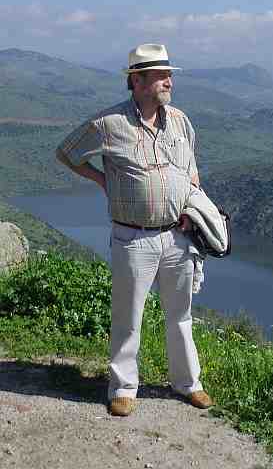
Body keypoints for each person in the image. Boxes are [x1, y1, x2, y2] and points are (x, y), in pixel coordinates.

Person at [56, 43, 213, 416]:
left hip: (177, 235)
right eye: (161, 76)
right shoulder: (109, 124)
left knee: (181, 315)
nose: (169, 81)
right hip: (133, 236)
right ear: (137, 81)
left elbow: (191, 170)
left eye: (169, 75)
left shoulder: (181, 121)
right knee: (128, 316)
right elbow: (66, 153)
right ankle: (123, 387)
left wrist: (191, 207)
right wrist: (101, 179)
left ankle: (188, 384)